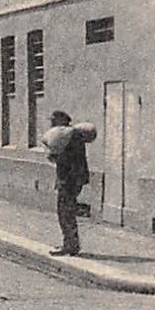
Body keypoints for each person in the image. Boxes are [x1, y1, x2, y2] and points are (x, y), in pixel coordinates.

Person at [40, 109, 94, 256]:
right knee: (66, 211)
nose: (51, 123)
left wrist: (54, 156)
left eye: (53, 120)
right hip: (73, 179)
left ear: (60, 121)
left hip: (69, 179)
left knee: (65, 212)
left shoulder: (68, 137)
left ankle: (70, 245)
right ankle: (70, 243)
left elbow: (66, 159)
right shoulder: (72, 135)